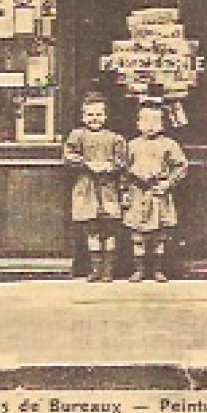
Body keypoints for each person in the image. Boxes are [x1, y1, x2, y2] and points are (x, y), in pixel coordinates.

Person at [122, 87, 189, 283]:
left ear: (163, 124)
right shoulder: (131, 145)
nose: (150, 126)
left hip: (159, 192)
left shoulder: (169, 144)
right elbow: (123, 168)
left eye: (155, 121)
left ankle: (158, 269)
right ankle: (139, 269)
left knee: (159, 234)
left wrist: (167, 184)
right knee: (138, 234)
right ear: (137, 123)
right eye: (146, 121)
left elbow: (181, 166)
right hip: (137, 193)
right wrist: (125, 191)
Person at [63, 90, 126, 282]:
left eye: (98, 115)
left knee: (109, 229)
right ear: (83, 116)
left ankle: (108, 269)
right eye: (90, 115)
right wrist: (86, 163)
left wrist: (111, 165)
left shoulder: (114, 138)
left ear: (105, 116)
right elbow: (68, 155)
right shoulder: (77, 135)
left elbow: (122, 159)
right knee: (91, 229)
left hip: (107, 188)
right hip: (87, 187)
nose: (94, 119)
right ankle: (95, 268)